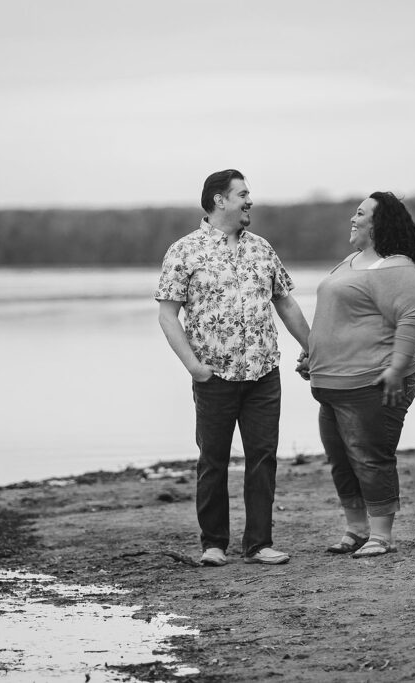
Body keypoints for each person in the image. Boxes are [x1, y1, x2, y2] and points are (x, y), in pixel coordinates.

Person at [155, 169, 310, 567]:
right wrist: (193, 366)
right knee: (213, 460)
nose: (249, 201)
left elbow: (286, 303)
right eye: (242, 194)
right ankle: (214, 545)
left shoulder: (261, 248)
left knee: (263, 457)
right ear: (219, 200)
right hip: (213, 375)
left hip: (263, 372)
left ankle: (259, 544)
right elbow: (168, 316)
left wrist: (314, 349)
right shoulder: (184, 251)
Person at [300, 191, 415, 558]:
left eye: (360, 214)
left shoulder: (396, 266)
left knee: (371, 458)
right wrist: (313, 354)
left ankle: (381, 535)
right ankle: (355, 530)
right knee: (342, 460)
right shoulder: (352, 262)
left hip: (373, 381)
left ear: (379, 224)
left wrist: (396, 367)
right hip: (332, 384)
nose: (352, 220)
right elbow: (339, 317)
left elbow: (414, 315)